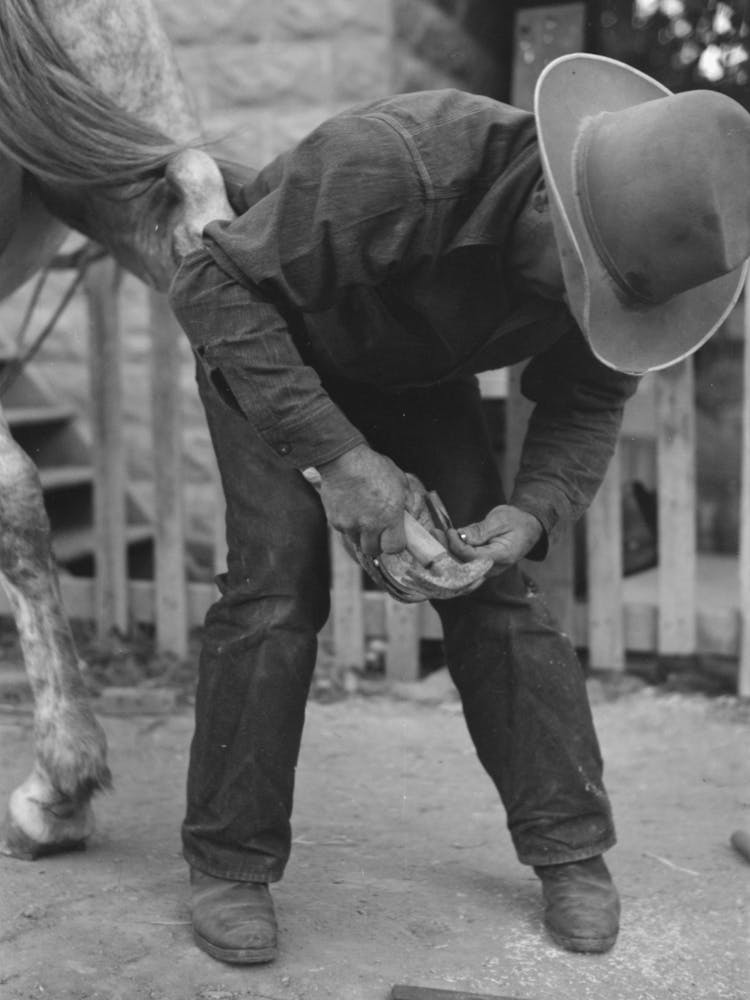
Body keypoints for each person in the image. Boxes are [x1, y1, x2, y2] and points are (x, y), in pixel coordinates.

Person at [168, 54, 750, 965]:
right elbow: (210, 288)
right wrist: (343, 461)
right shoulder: (396, 164)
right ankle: (230, 863)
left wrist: (530, 514)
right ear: (547, 203)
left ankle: (572, 851)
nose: (579, 309)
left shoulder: (637, 255)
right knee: (275, 590)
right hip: (269, 342)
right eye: (575, 283)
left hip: (411, 368)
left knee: (495, 589)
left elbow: (588, 400)